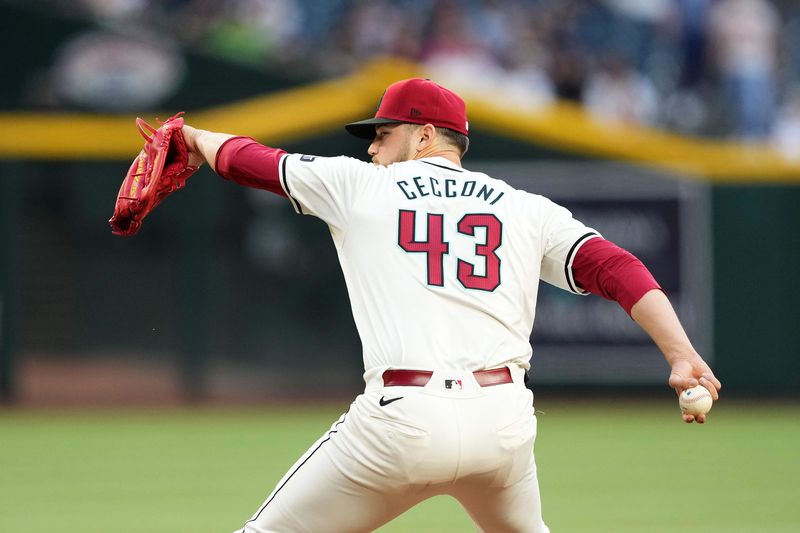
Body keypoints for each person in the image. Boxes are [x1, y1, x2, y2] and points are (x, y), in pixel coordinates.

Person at [180, 78, 721, 533]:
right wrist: (681, 353)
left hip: (402, 423)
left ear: (422, 136)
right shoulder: (524, 207)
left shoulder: (361, 186)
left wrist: (190, 135)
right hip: (502, 425)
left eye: (382, 135)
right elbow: (618, 268)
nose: (372, 148)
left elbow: (248, 160)